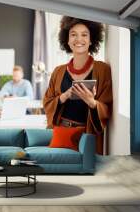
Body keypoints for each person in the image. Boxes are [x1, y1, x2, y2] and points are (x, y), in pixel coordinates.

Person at [43, 16, 113, 155]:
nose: (78, 39)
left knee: (84, 174)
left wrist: (92, 103)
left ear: (91, 39)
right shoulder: (58, 71)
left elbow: (107, 108)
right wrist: (64, 96)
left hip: (87, 133)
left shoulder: (102, 69)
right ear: (67, 40)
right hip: (60, 132)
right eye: (73, 34)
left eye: (84, 35)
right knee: (59, 172)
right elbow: (47, 102)